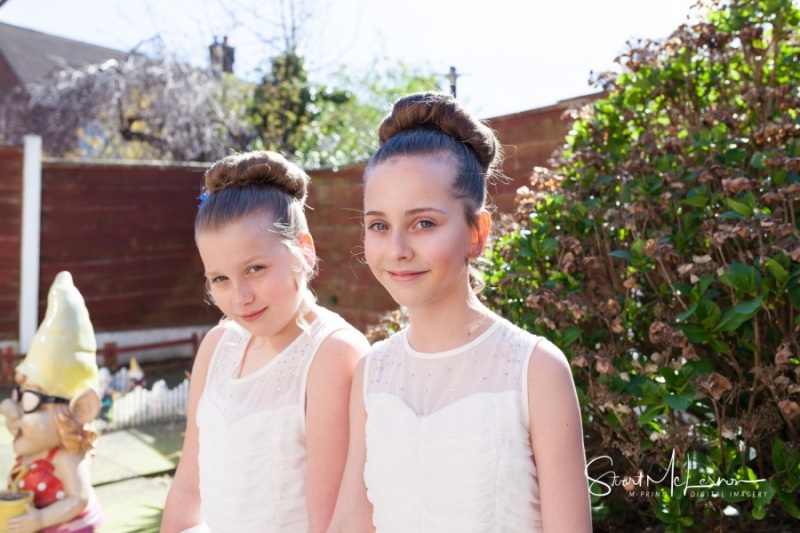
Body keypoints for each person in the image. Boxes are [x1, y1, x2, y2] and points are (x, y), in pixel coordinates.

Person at [329, 92, 592, 532]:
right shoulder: (372, 372)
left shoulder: (536, 370)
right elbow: (353, 518)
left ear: (477, 232)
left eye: (424, 223)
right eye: (379, 225)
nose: (396, 250)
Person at [161, 151, 370, 533]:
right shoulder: (218, 343)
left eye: (255, 269)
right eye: (220, 279)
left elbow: (328, 523)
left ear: (303, 250)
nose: (240, 297)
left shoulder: (333, 355)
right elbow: (190, 486)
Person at [0, 271, 103, 533]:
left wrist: (41, 520)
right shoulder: (35, 450)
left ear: (79, 410)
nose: (9, 409)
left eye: (30, 400)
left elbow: (78, 498)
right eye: (17, 395)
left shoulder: (65, 457)